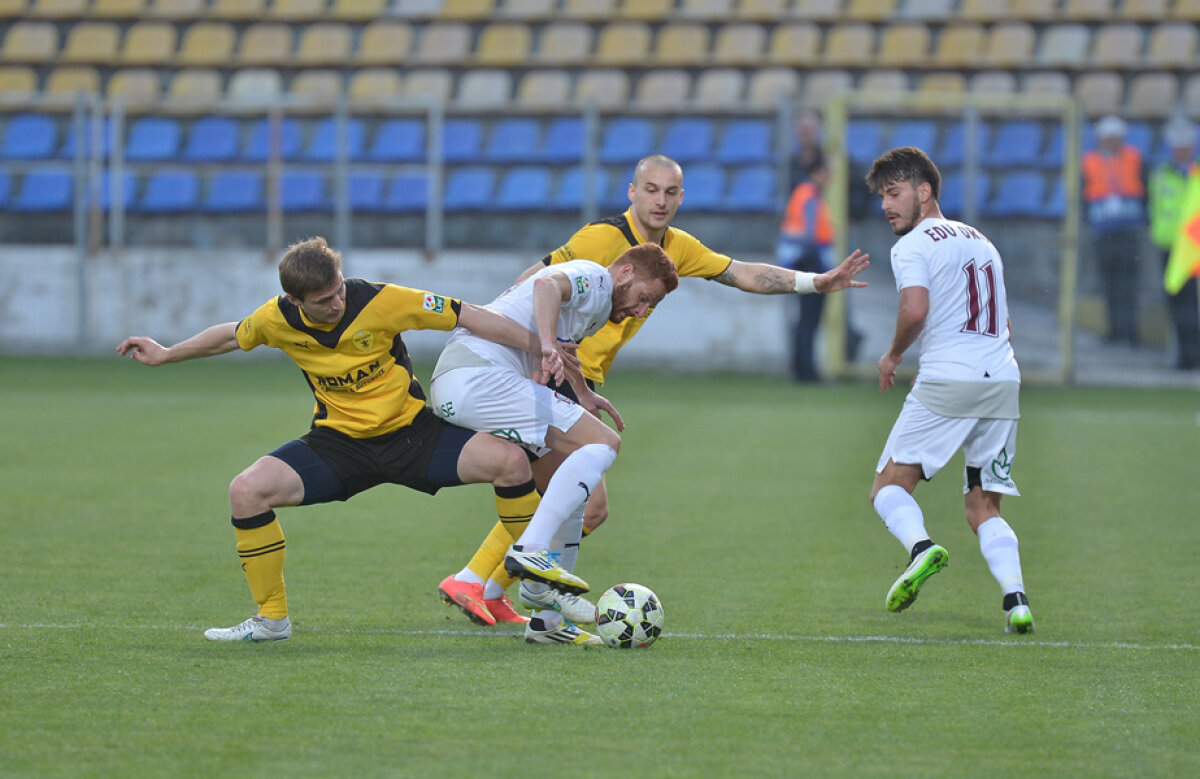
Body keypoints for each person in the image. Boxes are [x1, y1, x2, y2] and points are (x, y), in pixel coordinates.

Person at [437, 153, 870, 628]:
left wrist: (816, 282)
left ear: (681, 197)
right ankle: (484, 580)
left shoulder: (676, 249)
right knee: (587, 502)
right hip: (553, 370)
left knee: (574, 502)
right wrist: (525, 345)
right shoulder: (602, 239)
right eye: (651, 190)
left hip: (580, 379)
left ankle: (491, 587)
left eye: (670, 192)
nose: (660, 201)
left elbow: (741, 273)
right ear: (632, 192)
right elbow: (536, 281)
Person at [115, 236, 581, 642]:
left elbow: (471, 316)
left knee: (513, 463)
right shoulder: (276, 320)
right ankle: (271, 620)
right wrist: (168, 353)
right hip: (339, 446)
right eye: (324, 300)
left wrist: (541, 344)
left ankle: (543, 596)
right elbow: (231, 337)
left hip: (412, 435)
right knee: (246, 491)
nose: (337, 303)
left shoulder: (381, 300)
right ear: (295, 301)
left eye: (338, 291)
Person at [430, 244, 679, 645]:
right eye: (643, 298)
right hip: (477, 376)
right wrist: (545, 344)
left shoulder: (595, 309)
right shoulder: (598, 279)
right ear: (626, 272)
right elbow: (544, 285)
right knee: (605, 443)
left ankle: (546, 620)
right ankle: (531, 553)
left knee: (570, 481)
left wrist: (582, 392)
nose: (640, 311)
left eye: (649, 308)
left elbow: (565, 347)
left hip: (462, 384)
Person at [864, 147, 1034, 635]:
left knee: (887, 488)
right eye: (881, 198)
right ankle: (1016, 601)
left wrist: (894, 355)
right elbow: (1000, 319)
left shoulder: (913, 245)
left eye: (894, 194)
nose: (886, 206)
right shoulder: (982, 241)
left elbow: (915, 311)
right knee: (984, 507)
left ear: (924, 192)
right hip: (1002, 377)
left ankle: (921, 549)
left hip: (949, 379)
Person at [1082, 115, 1146, 346]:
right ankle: (1115, 331)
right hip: (1103, 233)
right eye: (1108, 138)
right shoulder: (1089, 162)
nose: (1112, 142)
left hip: (1128, 232)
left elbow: (1145, 190)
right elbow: (1082, 196)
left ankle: (1130, 333)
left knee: (1129, 285)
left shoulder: (1135, 159)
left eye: (1116, 138)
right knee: (1109, 285)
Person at [778, 153, 835, 381]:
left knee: (804, 319)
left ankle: (801, 369)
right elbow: (810, 235)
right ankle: (807, 372)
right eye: (828, 171)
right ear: (818, 172)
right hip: (810, 261)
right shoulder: (810, 195)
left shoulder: (802, 193)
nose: (831, 176)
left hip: (799, 260)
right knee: (810, 320)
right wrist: (820, 264)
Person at [1149, 118, 1200, 370]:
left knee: (1192, 304)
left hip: (1194, 250)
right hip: (1170, 247)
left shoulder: (1195, 174)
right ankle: (1186, 356)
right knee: (1177, 304)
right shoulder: (1161, 174)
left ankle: (1193, 355)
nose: (1182, 149)